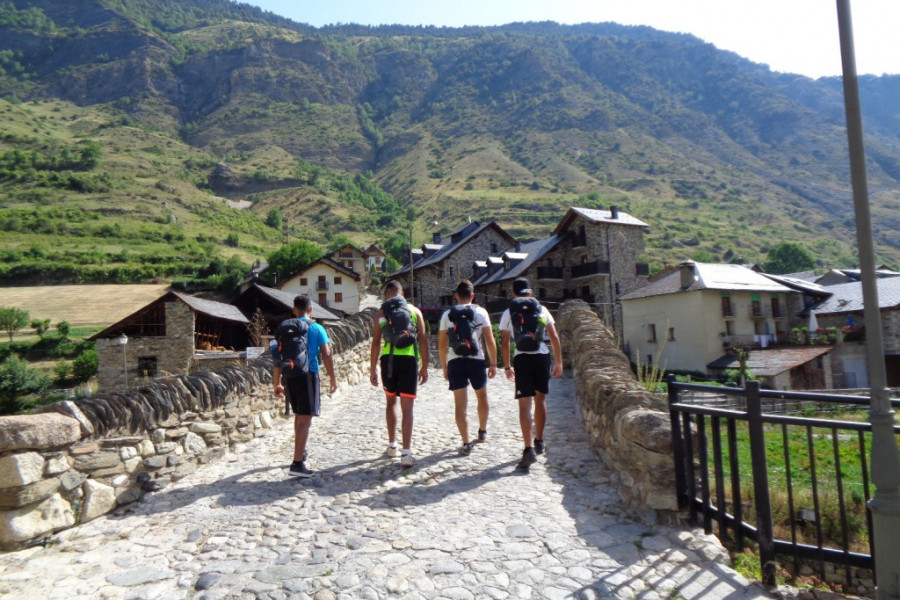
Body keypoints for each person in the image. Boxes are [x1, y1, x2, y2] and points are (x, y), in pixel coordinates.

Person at [499, 277, 563, 471]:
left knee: (524, 405)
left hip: (522, 358)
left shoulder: (509, 312)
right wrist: (559, 361)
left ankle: (528, 449)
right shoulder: (542, 310)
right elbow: (554, 336)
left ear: (513, 294)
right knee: (540, 399)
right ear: (531, 292)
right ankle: (539, 440)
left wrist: (507, 366)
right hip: (541, 356)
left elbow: (504, 341)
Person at [273, 294, 337, 477]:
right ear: (311, 310)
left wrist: (277, 383)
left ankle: (301, 452)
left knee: (299, 416)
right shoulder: (316, 328)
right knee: (306, 419)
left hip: (290, 375)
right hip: (309, 375)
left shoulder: (285, 329)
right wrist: (333, 378)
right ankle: (297, 464)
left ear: (294, 310)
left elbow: (276, 357)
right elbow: (326, 354)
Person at [370, 280, 429, 467]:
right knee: (407, 407)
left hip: (389, 361)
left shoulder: (381, 313)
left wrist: (373, 369)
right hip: (409, 360)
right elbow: (423, 339)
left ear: (387, 294)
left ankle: (392, 445)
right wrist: (425, 366)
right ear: (402, 293)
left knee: (390, 403)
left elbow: (376, 343)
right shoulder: (415, 311)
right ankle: (406, 452)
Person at [438, 279, 497, 455]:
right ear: (473, 295)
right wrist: (493, 363)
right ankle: (482, 431)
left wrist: (444, 366)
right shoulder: (481, 312)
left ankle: (465, 442)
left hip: (455, 361)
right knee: (482, 396)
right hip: (476, 360)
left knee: (460, 405)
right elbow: (489, 340)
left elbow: (441, 345)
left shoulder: (447, 315)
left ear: (456, 295)